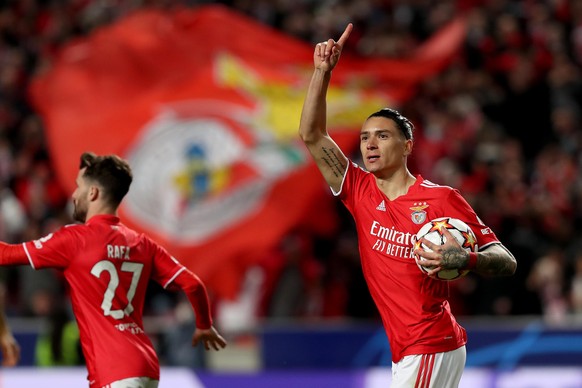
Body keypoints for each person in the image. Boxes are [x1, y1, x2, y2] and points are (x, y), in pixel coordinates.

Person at [298, 24, 517, 388]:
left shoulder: (441, 199)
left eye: (382, 136)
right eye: (365, 137)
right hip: (408, 349)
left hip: (431, 344)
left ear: (407, 145)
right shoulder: (357, 188)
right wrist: (321, 72)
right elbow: (312, 135)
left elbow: (506, 261)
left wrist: (468, 258)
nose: (370, 144)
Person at [0, 152, 226, 387]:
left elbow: (5, 255)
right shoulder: (142, 243)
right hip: (146, 365)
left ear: (93, 193)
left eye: (78, 187)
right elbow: (193, 284)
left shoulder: (74, 240)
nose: (74, 195)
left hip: (114, 371)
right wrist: (203, 324)